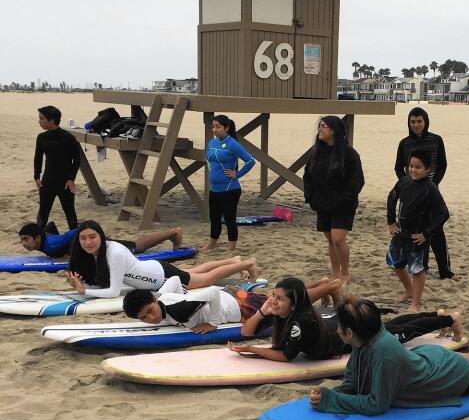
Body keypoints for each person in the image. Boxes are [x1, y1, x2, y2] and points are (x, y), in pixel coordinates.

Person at [309, 296, 469, 416]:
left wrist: (334, 401)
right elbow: (354, 381)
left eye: (339, 326)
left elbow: (377, 404)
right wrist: (336, 393)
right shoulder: (365, 338)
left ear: (349, 331)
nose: (336, 329)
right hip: (430, 361)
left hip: (448, 375)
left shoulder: (382, 352)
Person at [228, 278, 464, 364]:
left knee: (399, 332)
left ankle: (449, 318)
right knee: (394, 324)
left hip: (354, 330)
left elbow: (285, 357)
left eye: (279, 299)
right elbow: (248, 332)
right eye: (273, 297)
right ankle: (435, 315)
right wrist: (264, 311)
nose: (273, 301)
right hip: (339, 321)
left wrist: (252, 351)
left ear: (294, 303)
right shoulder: (284, 313)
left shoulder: (299, 322)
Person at [64, 220, 259, 298]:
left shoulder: (112, 253)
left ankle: (246, 263)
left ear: (101, 236)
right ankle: (233, 260)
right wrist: (83, 286)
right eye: (83, 238)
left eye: (92, 237)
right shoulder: (99, 252)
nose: (88, 242)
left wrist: (86, 291)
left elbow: (114, 292)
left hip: (160, 277)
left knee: (206, 279)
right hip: (155, 270)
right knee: (194, 272)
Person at [124, 275, 340, 336]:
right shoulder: (161, 298)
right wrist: (184, 294)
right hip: (231, 296)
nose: (150, 319)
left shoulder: (178, 311)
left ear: (154, 301)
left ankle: (329, 287)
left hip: (239, 306)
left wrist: (213, 323)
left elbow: (210, 293)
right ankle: (320, 284)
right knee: (278, 298)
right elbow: (172, 279)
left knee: (283, 305)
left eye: (150, 312)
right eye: (143, 318)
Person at [394, 107, 455, 279]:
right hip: (412, 195)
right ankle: (422, 267)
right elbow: (399, 167)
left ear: (425, 122)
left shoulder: (436, 140)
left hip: (431, 191)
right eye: (412, 122)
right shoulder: (404, 143)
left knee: (436, 230)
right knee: (417, 230)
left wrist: (432, 184)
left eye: (419, 121)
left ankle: (445, 270)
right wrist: (408, 183)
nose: (416, 125)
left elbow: (442, 165)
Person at [303, 116, 364, 283]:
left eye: (324, 126)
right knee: (330, 240)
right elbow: (308, 175)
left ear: (334, 130)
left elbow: (357, 180)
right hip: (322, 202)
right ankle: (335, 273)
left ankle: (345, 273)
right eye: (320, 126)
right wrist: (310, 196)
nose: (320, 129)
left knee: (338, 239)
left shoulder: (349, 154)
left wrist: (346, 198)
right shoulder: (316, 152)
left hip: (343, 204)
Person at [387, 149, 449, 311]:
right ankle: (408, 289)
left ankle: (415, 302)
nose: (413, 170)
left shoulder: (430, 188)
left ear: (427, 169)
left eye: (418, 167)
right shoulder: (403, 182)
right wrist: (391, 221)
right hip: (400, 233)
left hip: (417, 237)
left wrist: (427, 233)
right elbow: (392, 197)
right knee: (395, 263)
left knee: (417, 270)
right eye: (411, 166)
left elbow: (442, 213)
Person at [205, 115, 256, 251]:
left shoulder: (232, 144)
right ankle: (211, 244)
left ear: (226, 128)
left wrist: (237, 174)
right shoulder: (211, 143)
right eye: (213, 127)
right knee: (214, 218)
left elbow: (250, 161)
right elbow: (209, 159)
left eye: (218, 127)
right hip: (214, 189)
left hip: (229, 189)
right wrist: (212, 173)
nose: (214, 130)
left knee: (229, 219)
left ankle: (231, 247)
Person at [18, 221, 184, 259]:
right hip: (89, 238)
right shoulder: (45, 239)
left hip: (93, 238)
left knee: (135, 247)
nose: (24, 244)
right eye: (22, 240)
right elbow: (50, 226)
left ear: (37, 238)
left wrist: (91, 237)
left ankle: (173, 233)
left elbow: (74, 233)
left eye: (26, 239)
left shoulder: (52, 246)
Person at [33, 105, 82, 229]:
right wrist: (37, 177)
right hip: (47, 181)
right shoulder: (42, 137)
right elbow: (38, 158)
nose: (39, 121)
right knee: (43, 211)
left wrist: (71, 179)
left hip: (65, 182)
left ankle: (76, 239)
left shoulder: (68, 138)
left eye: (42, 119)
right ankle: (39, 238)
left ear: (52, 120)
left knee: (70, 212)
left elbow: (76, 160)